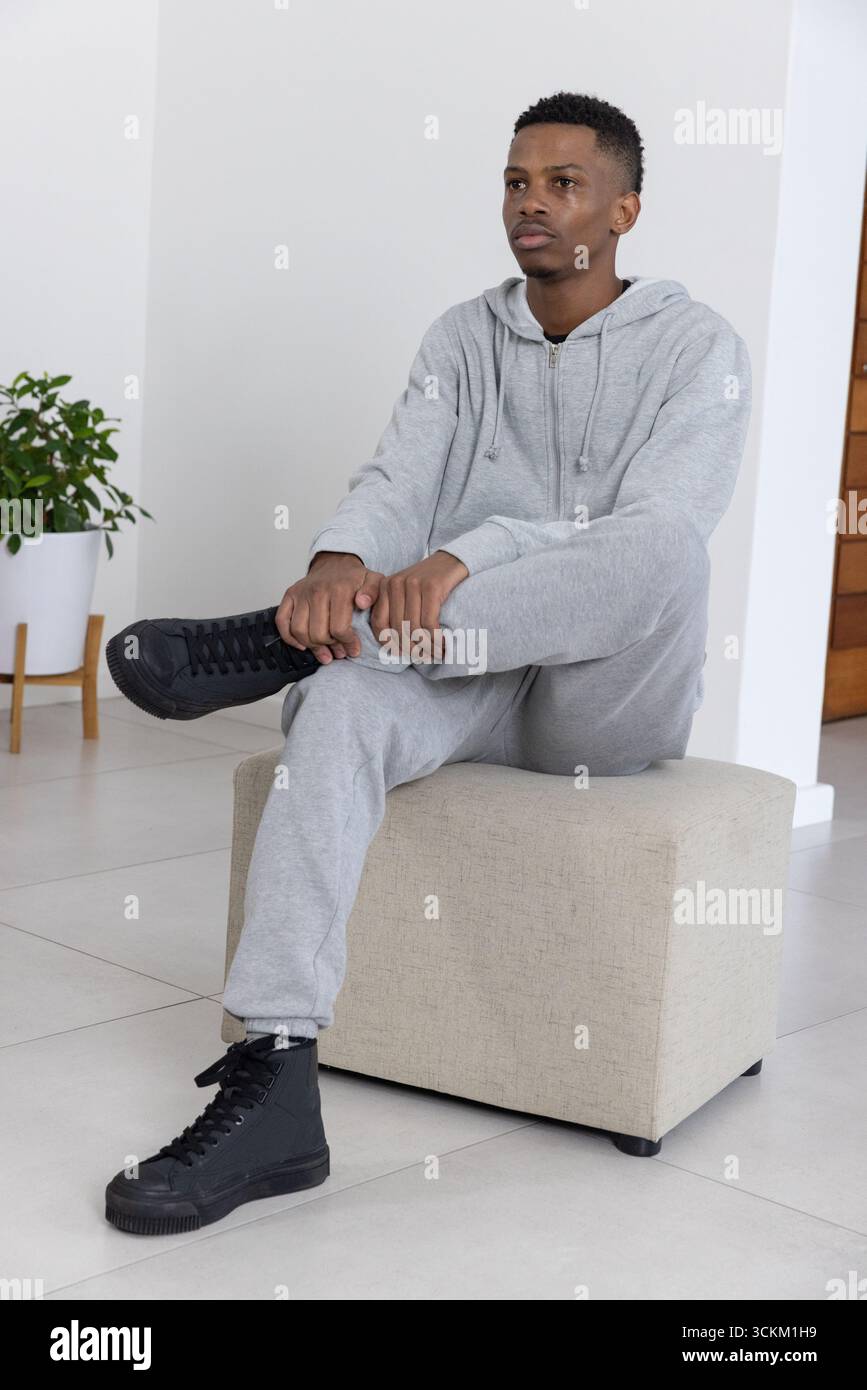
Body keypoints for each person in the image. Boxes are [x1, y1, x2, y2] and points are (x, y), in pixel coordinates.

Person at [103, 91, 751, 1234]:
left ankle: (293, 643)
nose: (532, 204)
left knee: (666, 553)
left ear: (626, 208)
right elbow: (400, 472)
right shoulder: (462, 334)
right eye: (515, 181)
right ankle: (277, 1077)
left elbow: (653, 532)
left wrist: (475, 551)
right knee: (341, 706)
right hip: (457, 674)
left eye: (563, 183)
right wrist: (339, 563)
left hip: (603, 709)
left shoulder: (697, 348)